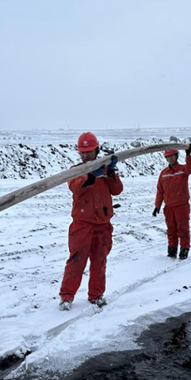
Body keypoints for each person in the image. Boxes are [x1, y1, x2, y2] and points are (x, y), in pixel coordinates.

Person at [58, 132, 123, 311]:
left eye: (89, 152)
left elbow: (117, 190)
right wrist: (91, 176)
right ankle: (66, 296)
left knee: (99, 261)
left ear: (96, 150)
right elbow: (76, 188)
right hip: (82, 224)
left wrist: (111, 173)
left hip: (103, 224)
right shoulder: (76, 170)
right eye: (83, 152)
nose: (86, 155)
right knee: (76, 260)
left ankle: (96, 295)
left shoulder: (105, 169)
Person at [153, 144, 191, 260]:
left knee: (183, 229)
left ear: (176, 156)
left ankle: (184, 250)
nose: (170, 158)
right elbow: (160, 191)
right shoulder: (163, 173)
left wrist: (188, 155)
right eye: (168, 157)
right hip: (169, 207)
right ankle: (172, 251)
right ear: (166, 158)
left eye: (172, 156)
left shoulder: (183, 169)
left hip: (181, 206)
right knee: (171, 230)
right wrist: (157, 206)